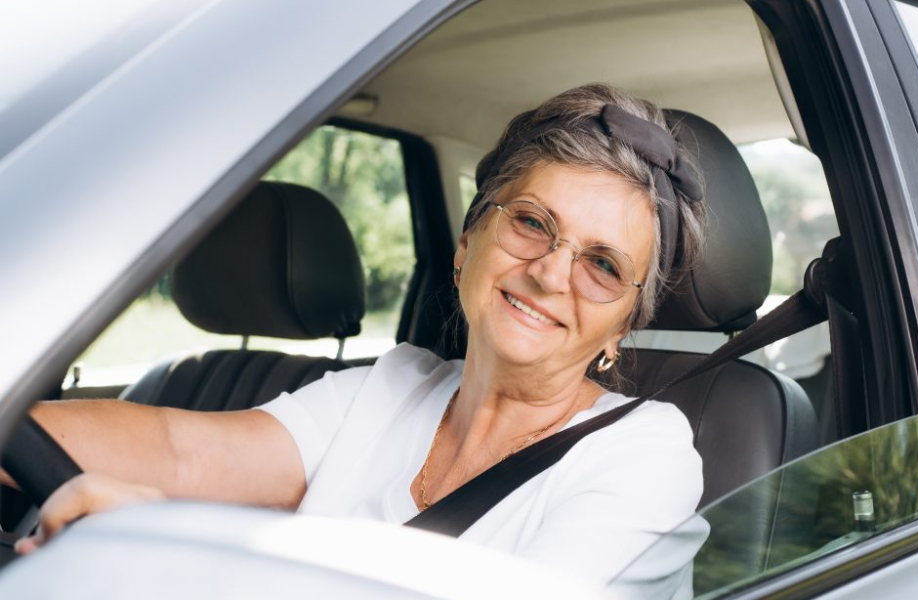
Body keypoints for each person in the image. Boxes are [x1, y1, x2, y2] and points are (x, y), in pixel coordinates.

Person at [0, 83, 707, 591]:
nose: (552, 272)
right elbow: (181, 454)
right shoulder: (395, 384)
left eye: (603, 265)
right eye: (531, 222)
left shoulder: (646, 453)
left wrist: (175, 553)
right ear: (467, 243)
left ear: (622, 327)